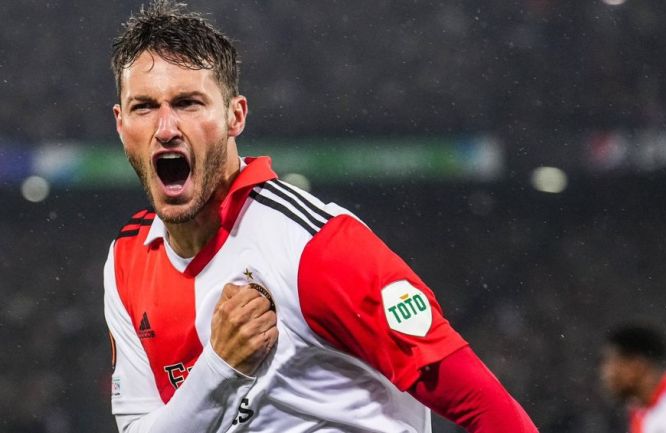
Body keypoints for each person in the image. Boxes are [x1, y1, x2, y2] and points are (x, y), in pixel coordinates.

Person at [103, 1, 538, 432]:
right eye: (144, 107)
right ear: (121, 125)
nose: (165, 128)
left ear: (235, 117)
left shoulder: (315, 248)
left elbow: (490, 410)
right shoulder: (126, 261)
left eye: (188, 103)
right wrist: (219, 369)